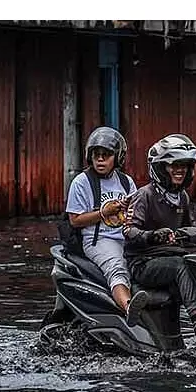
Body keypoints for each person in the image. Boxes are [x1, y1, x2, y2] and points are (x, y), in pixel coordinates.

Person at [123, 134, 196, 345]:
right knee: (182, 265)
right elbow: (129, 231)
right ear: (160, 168)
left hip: (169, 259)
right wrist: (152, 236)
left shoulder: (182, 197)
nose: (180, 170)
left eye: (184, 165)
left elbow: (190, 230)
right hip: (143, 263)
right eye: (174, 165)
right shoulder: (144, 195)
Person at [66, 126, 137, 313]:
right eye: (96, 155)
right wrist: (104, 213)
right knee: (117, 266)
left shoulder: (126, 182)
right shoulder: (81, 182)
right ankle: (129, 308)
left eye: (106, 155)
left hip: (127, 238)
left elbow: (137, 213)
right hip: (99, 240)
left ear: (118, 157)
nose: (100, 159)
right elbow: (75, 220)